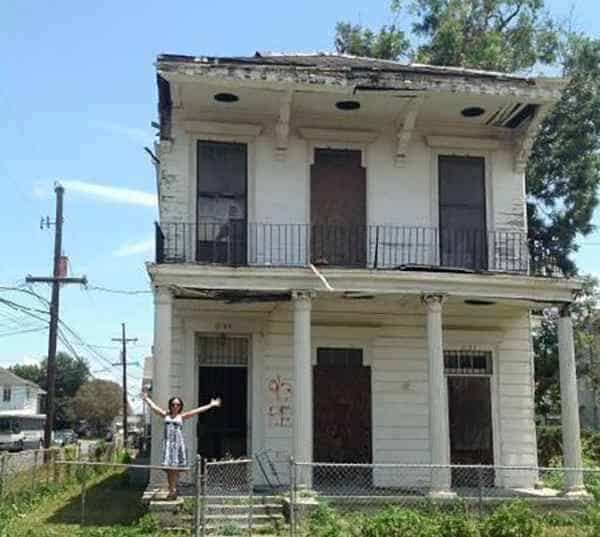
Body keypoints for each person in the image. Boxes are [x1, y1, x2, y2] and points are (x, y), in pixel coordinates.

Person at [142, 389, 221, 499]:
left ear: (180, 406)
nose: (175, 406)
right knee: (169, 469)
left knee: (175, 468)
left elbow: (197, 411)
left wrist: (211, 405)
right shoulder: (166, 415)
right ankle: (172, 489)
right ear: (170, 405)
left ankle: (173, 490)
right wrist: (146, 399)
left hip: (178, 445)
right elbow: (154, 408)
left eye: (178, 404)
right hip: (168, 445)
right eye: (173, 404)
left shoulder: (182, 416)